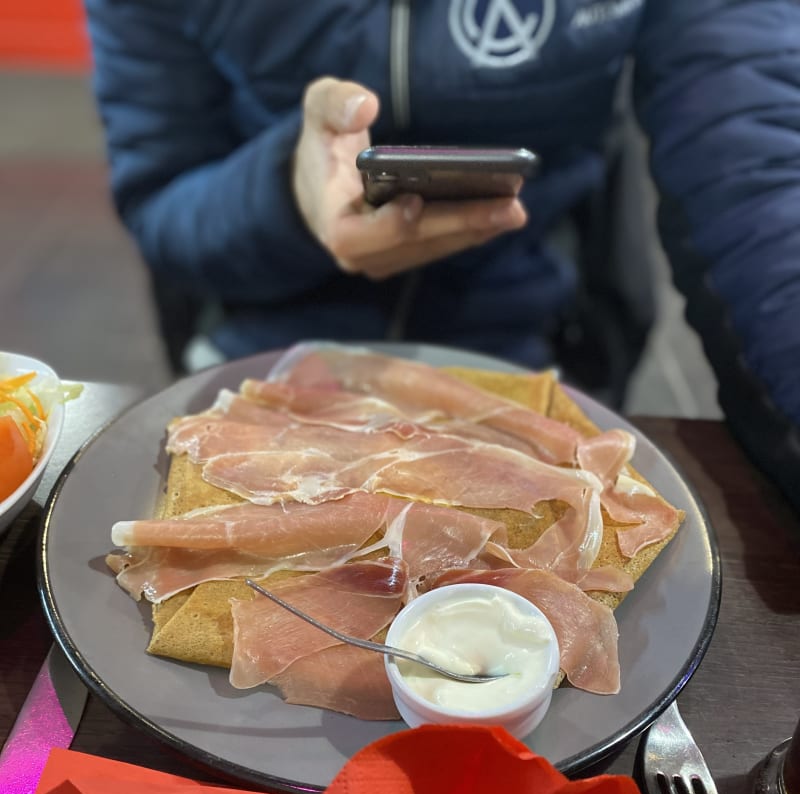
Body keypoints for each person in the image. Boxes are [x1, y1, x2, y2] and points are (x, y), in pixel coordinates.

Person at [82, 0, 800, 510]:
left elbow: (758, 154)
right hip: (268, 353)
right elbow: (162, 196)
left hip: (534, 347)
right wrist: (286, 197)